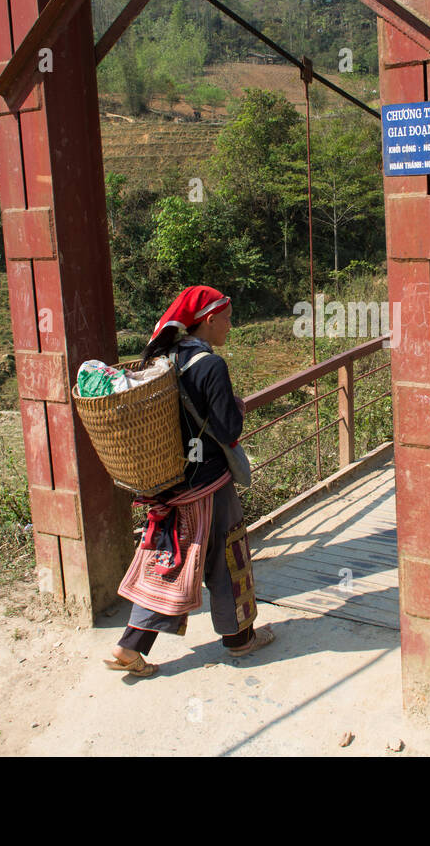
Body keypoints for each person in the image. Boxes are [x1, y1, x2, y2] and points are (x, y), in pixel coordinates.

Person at [105, 285, 274, 676]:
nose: (230, 327)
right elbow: (228, 429)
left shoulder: (164, 357)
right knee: (227, 557)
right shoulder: (210, 366)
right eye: (227, 320)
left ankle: (129, 646)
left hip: (168, 482)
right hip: (209, 483)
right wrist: (236, 406)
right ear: (210, 320)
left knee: (171, 558)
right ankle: (239, 639)